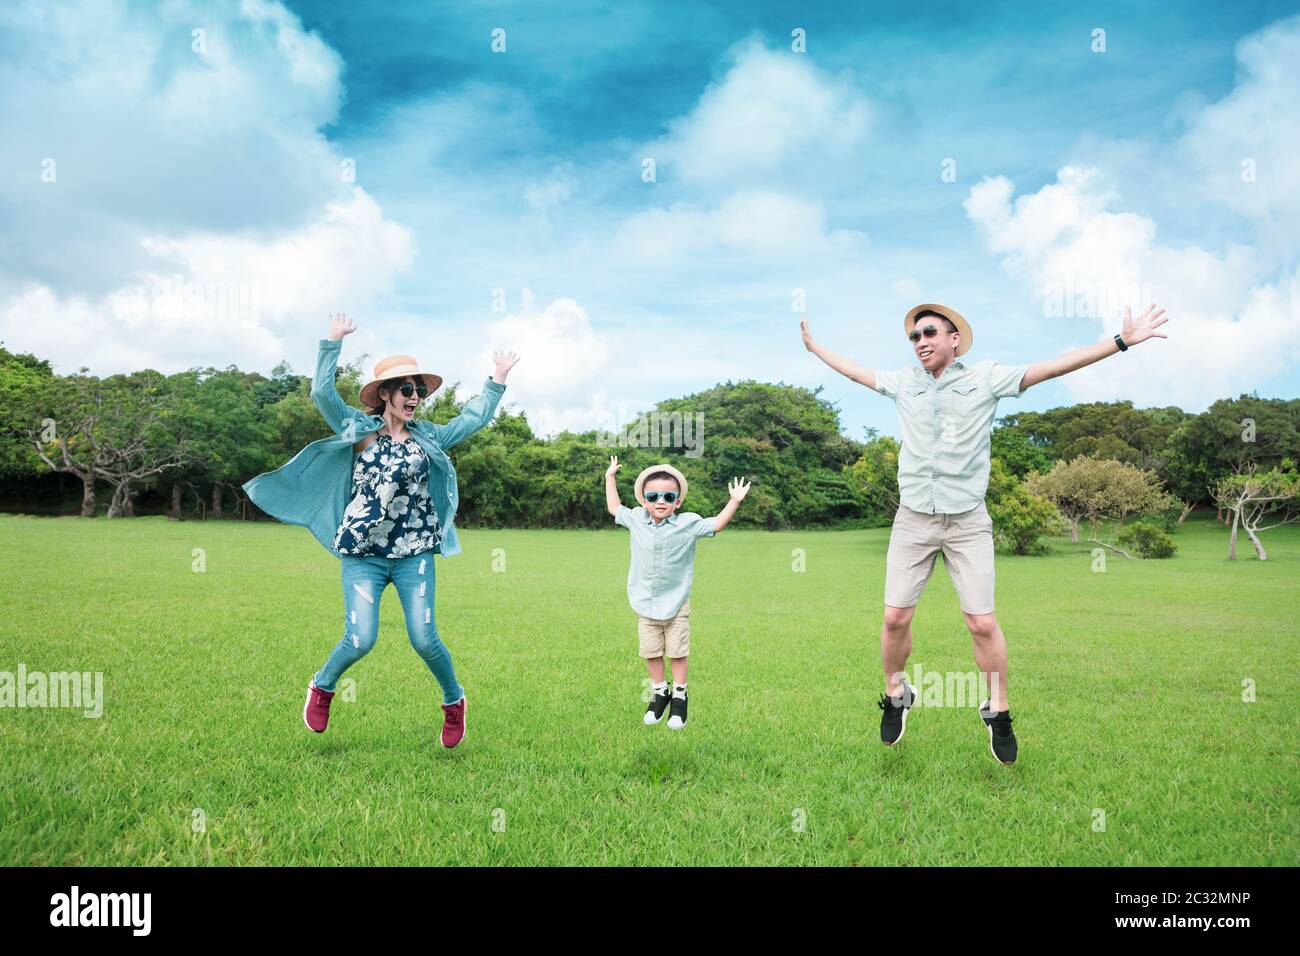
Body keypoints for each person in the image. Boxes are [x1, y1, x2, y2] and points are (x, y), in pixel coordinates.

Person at [801, 302, 1168, 763]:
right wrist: (816, 349)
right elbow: (856, 373)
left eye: (929, 332)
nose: (920, 342)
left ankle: (998, 711)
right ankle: (897, 695)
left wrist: (1119, 342)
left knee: (981, 622)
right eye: (914, 337)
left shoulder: (986, 378)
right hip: (913, 518)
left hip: (968, 521)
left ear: (955, 339)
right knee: (894, 618)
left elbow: (1051, 368)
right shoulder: (904, 384)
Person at [243, 312, 519, 748]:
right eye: (407, 389)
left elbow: (473, 419)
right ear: (386, 395)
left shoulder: (429, 436)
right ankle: (322, 687)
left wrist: (497, 379)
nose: (415, 397)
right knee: (360, 638)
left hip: (413, 554)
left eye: (420, 390)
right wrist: (332, 341)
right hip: (363, 555)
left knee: (425, 638)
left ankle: (454, 702)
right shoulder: (360, 431)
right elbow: (321, 392)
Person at [605, 457, 750, 730]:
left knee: (677, 651)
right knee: (650, 651)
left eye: (669, 496)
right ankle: (660, 692)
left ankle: (680, 697)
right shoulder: (636, 519)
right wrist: (609, 477)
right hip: (645, 603)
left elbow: (717, 524)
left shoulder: (689, 523)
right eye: (653, 496)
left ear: (678, 502)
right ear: (644, 500)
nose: (661, 501)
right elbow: (614, 507)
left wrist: (735, 502)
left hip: (676, 603)